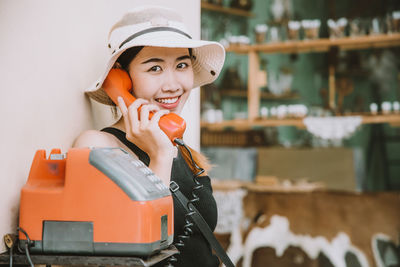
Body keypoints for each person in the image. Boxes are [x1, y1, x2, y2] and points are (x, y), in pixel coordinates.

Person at [73, 5, 225, 267]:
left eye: (181, 65)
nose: (173, 84)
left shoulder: (180, 146)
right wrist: (159, 156)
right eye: (154, 68)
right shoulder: (97, 148)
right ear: (121, 78)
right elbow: (130, 248)